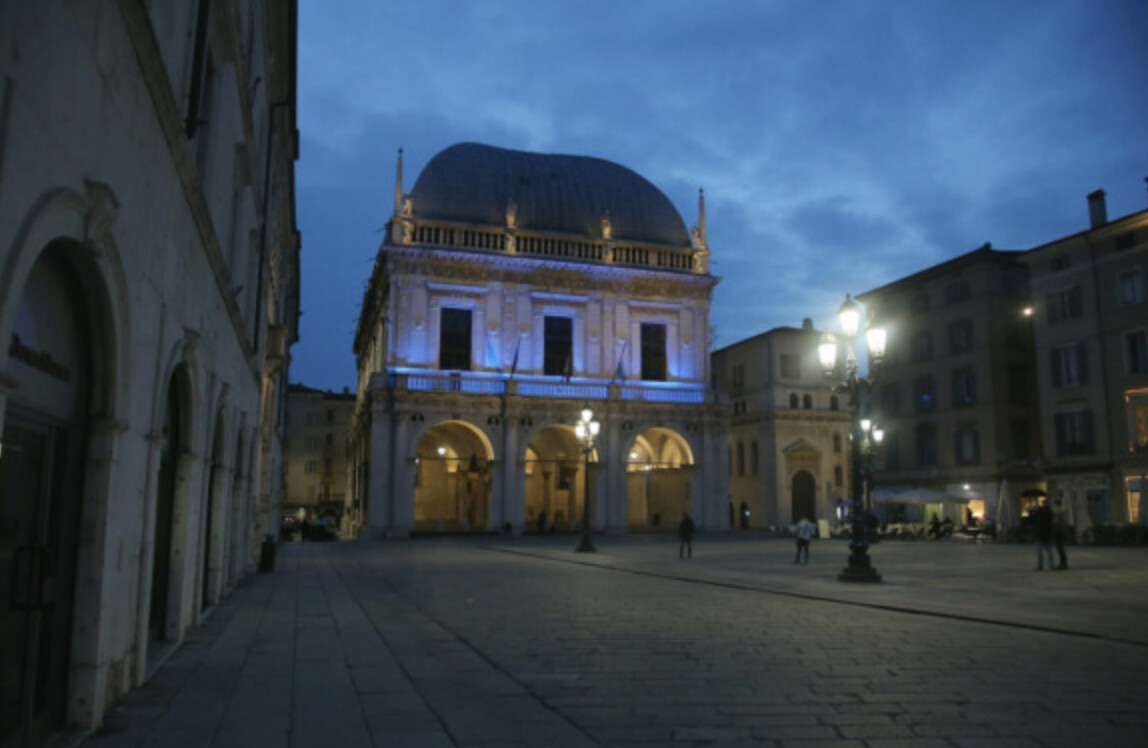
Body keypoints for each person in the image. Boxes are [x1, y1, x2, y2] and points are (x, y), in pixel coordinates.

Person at [1032, 497, 1055, 571]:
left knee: (1040, 552)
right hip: (1048, 534)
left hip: (1039, 534)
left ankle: (1040, 565)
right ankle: (1051, 565)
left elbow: (1033, 520)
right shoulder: (1050, 513)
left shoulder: (1038, 513)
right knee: (1049, 551)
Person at [1052, 498, 1069, 570]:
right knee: (1061, 548)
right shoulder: (1062, 510)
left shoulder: (1055, 510)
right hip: (1061, 530)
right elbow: (1064, 521)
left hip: (1057, 530)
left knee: (1059, 548)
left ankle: (1063, 563)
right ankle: (1064, 563)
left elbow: (1055, 521)